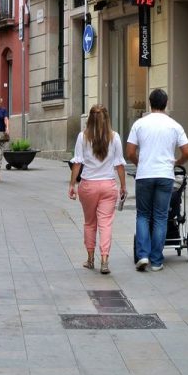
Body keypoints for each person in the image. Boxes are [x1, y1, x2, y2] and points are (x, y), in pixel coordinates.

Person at [126, 89, 188, 272]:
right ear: (166, 103)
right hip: (165, 175)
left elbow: (130, 152)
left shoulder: (139, 124)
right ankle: (156, 260)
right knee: (161, 217)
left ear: (149, 103)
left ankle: (143, 255)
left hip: (145, 175)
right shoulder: (174, 126)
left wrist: (140, 163)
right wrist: (177, 162)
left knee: (143, 215)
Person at [68, 105, 127, 275]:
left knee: (89, 222)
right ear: (107, 119)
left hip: (88, 185)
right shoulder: (115, 137)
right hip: (108, 186)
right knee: (106, 223)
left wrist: (72, 184)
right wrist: (123, 186)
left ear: (90, 119)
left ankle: (90, 259)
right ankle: (105, 260)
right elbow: (119, 165)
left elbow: (77, 163)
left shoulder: (83, 137)